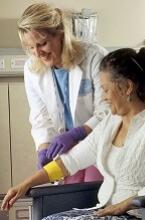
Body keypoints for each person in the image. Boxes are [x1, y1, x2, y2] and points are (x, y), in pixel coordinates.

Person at [2, 47, 145, 220]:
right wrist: (25, 184)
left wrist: (128, 203)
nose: (104, 98)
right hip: (105, 211)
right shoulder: (111, 122)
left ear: (127, 87)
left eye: (106, 90)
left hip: (137, 214)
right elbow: (71, 161)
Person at [17, 3, 109, 183]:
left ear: (60, 33)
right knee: (69, 197)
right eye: (31, 48)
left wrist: (76, 134)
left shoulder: (94, 57)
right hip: (67, 151)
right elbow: (40, 116)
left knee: (94, 193)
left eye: (42, 44)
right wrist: (43, 148)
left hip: (99, 142)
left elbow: (108, 110)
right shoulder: (31, 68)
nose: (37, 53)